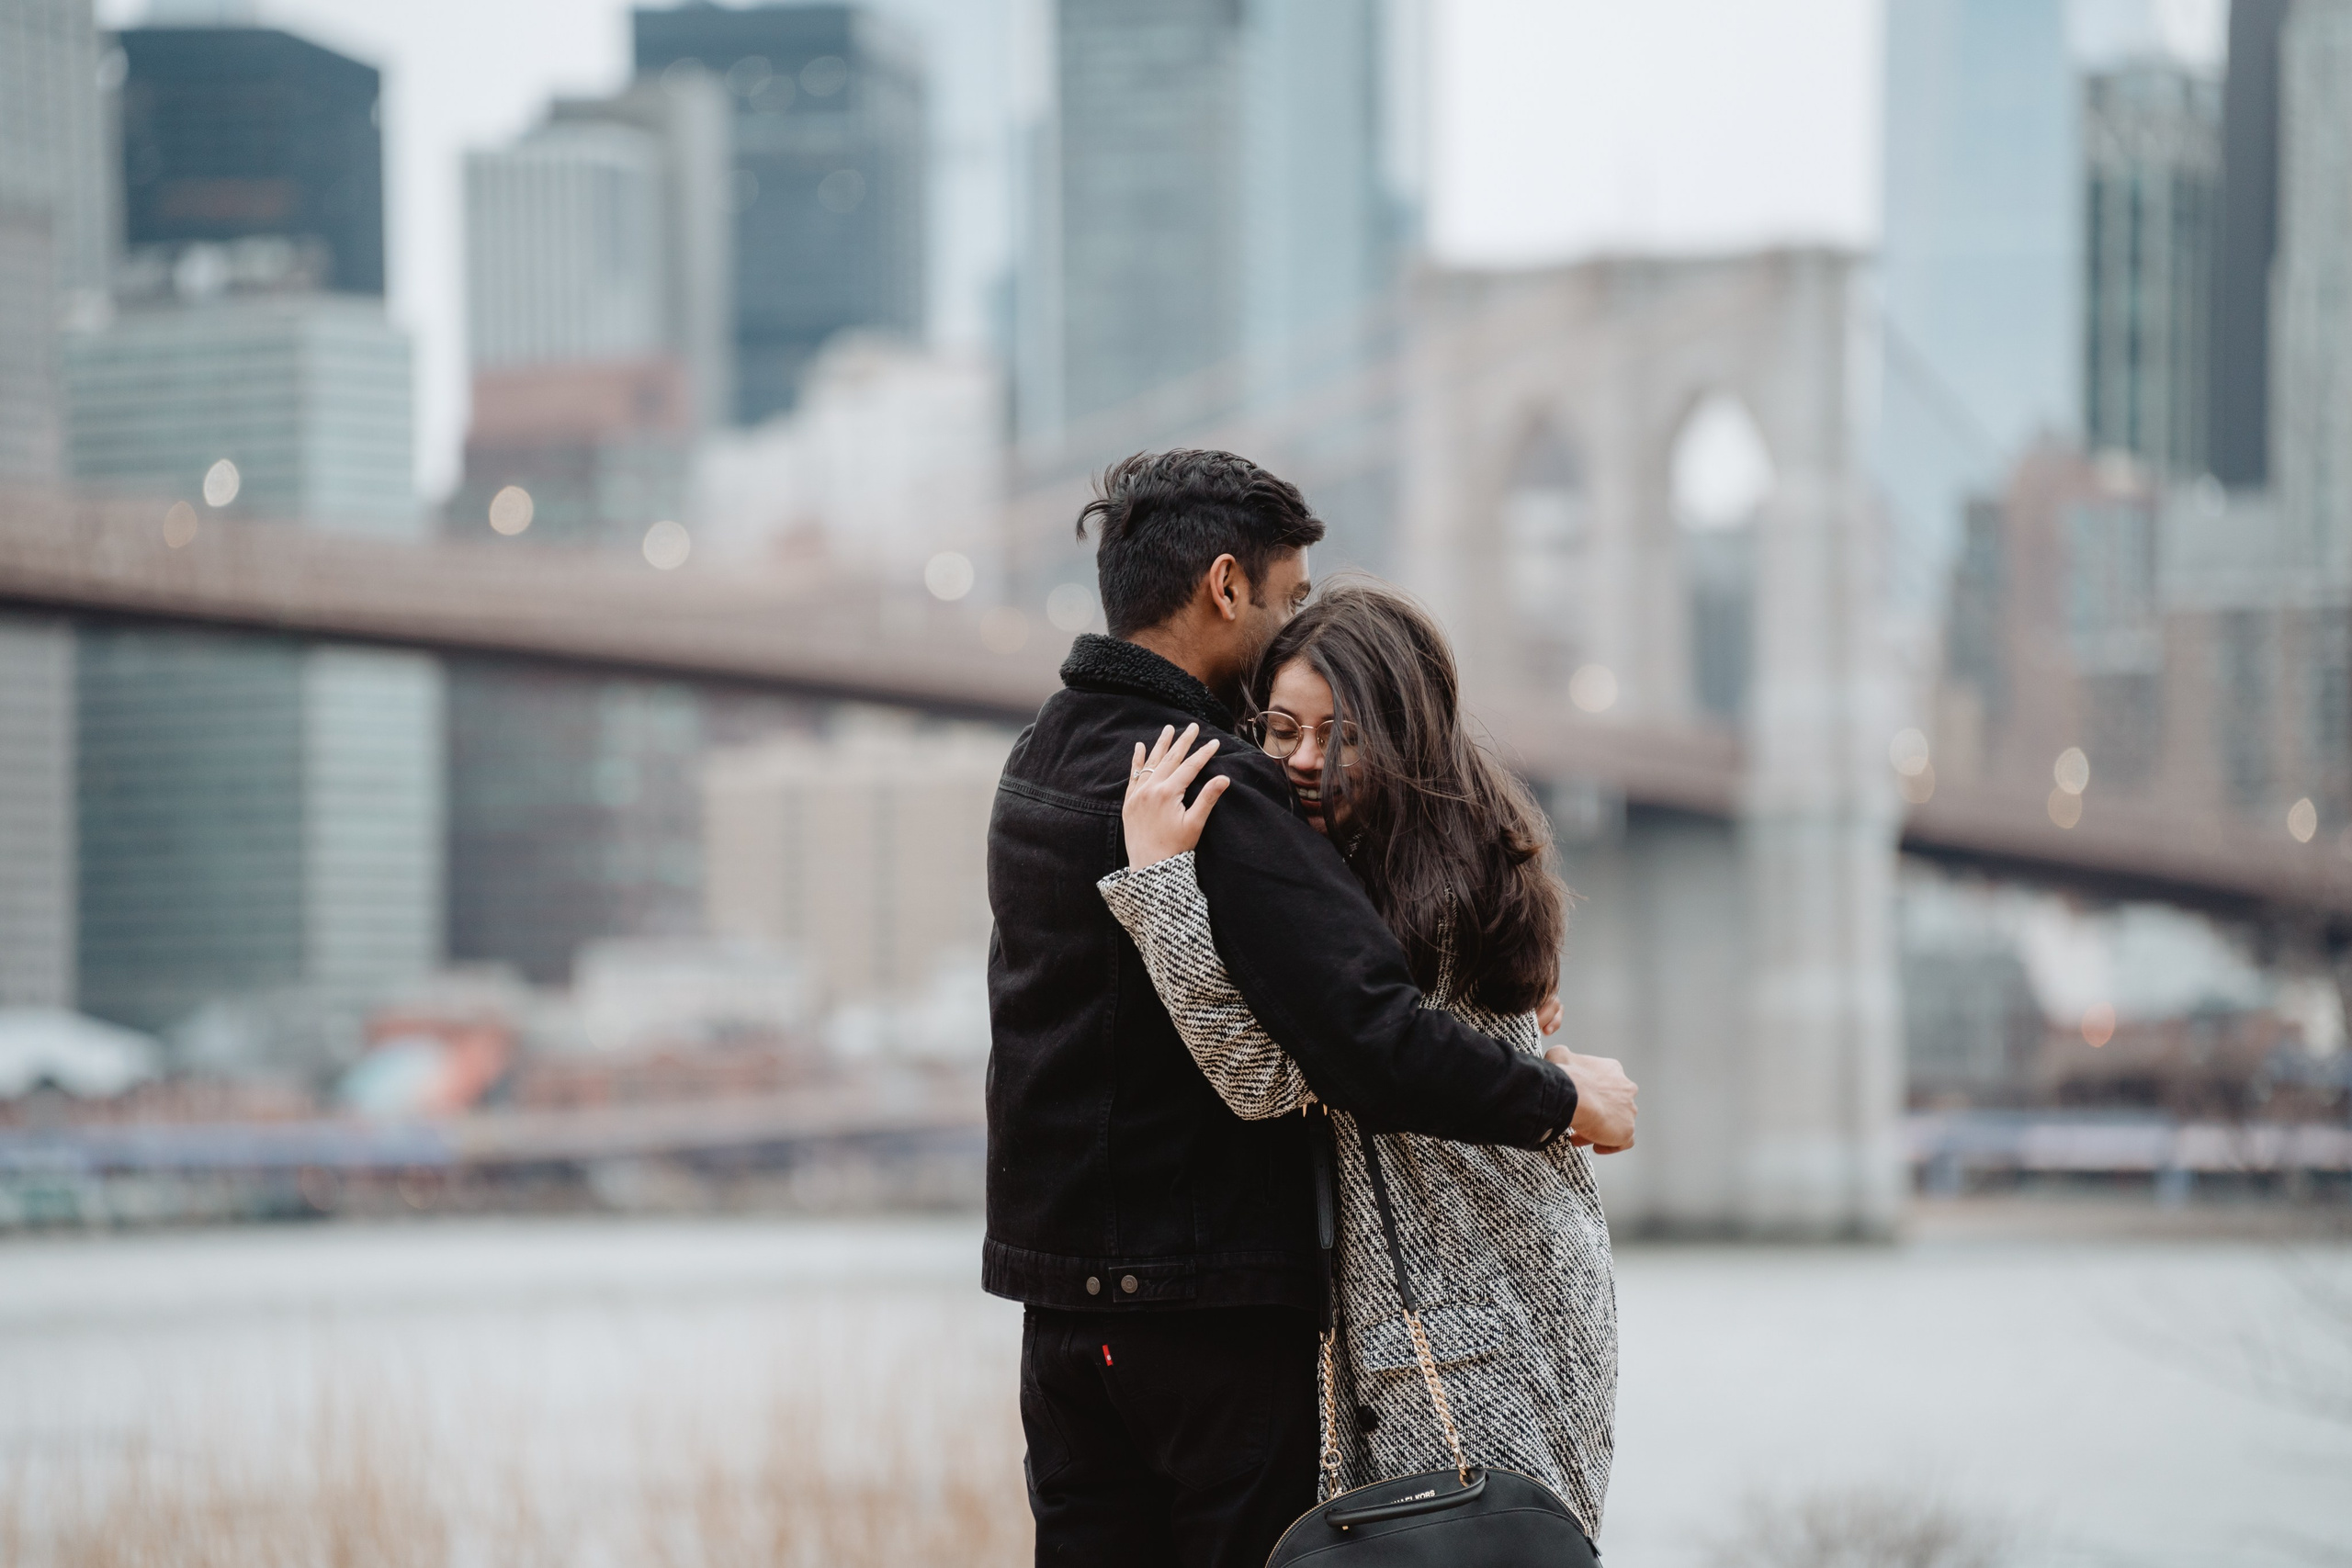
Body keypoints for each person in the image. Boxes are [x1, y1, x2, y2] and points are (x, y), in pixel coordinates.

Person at [983, 449, 1636, 1566]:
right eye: (1286, 597)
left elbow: (1349, 1035)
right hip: (1224, 1322)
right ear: (1225, 585)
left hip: (1076, 1319)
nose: (1297, 760)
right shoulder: (1220, 786)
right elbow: (1355, 1045)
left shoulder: (1033, 762)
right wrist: (1558, 1095)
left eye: (1334, 736)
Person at [1100, 580, 1621, 1550]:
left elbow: (1261, 1077)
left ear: (1404, 737)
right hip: (1486, 1304)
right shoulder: (1444, 858)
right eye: (1280, 729)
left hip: (1470, 1326)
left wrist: (1159, 882)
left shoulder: (1410, 906)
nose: (1303, 760)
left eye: (1339, 734)